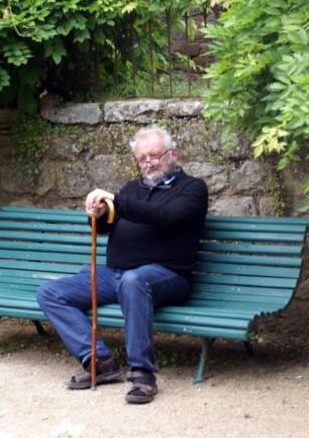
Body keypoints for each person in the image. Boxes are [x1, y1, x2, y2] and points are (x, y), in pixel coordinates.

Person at [36, 125, 209, 404]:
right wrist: (99, 214)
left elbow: (167, 217)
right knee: (50, 292)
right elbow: (105, 227)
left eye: (154, 155)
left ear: (173, 153)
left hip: (167, 276)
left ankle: (142, 372)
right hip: (116, 275)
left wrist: (118, 202)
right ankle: (101, 362)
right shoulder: (132, 189)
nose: (149, 162)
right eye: (142, 158)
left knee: (134, 280)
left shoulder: (192, 189)